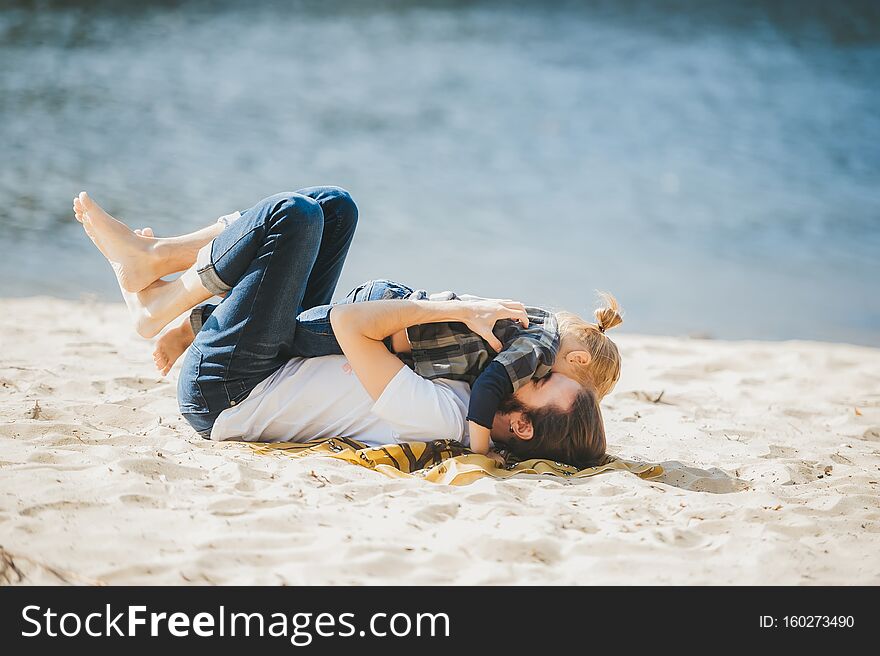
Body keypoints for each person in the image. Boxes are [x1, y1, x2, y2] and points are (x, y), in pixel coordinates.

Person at [72, 186, 606, 467]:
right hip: (276, 360)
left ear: (524, 426)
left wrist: (453, 312)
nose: (528, 371)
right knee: (334, 207)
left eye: (537, 382)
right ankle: (163, 267)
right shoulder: (482, 381)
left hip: (230, 392)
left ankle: (161, 296)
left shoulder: (448, 418)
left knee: (294, 216)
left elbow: (350, 324)